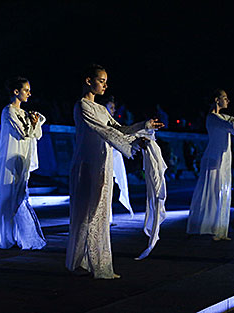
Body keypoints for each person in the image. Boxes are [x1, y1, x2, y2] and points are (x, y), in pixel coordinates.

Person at [66, 64, 163, 279]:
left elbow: (118, 129)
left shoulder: (101, 109)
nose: (105, 85)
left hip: (103, 163)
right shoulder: (82, 106)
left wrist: (143, 126)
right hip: (86, 165)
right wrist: (132, 142)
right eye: (101, 80)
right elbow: (104, 131)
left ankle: (94, 263)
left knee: (100, 212)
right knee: (85, 213)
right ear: (88, 81)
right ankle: (83, 262)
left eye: (105, 81)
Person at [0, 77, 47, 250]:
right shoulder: (9, 111)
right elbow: (23, 132)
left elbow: (36, 134)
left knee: (19, 194)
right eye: (26, 90)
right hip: (10, 158)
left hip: (21, 158)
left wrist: (35, 123)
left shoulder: (25, 113)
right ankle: (3, 236)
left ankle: (16, 235)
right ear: (16, 92)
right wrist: (32, 125)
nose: (29, 93)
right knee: (6, 196)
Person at [187, 89, 234, 240]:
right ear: (217, 100)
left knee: (222, 193)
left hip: (222, 160)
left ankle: (219, 230)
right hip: (213, 159)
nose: (228, 100)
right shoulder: (212, 118)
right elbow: (233, 127)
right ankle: (207, 227)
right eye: (225, 98)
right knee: (211, 193)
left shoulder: (222, 116)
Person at [100, 95, 134, 224]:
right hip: (102, 158)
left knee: (109, 187)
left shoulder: (112, 123)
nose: (113, 111)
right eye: (111, 108)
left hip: (112, 158)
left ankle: (107, 218)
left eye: (114, 108)